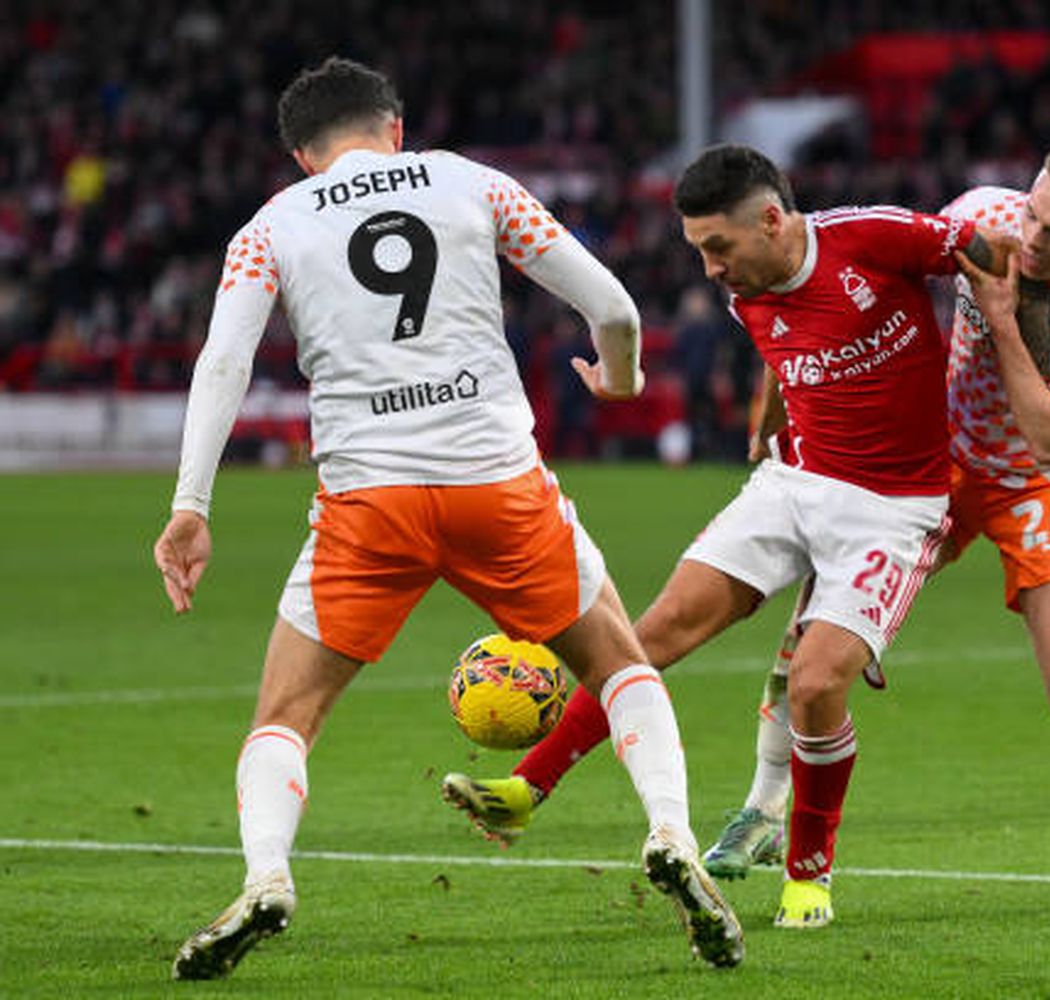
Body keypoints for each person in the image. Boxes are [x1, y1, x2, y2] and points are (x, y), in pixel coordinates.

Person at [151, 57, 742, 979]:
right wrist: (621, 380)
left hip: (368, 503)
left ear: (305, 156)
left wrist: (191, 507)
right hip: (497, 484)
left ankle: (267, 877)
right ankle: (670, 832)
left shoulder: (272, 226)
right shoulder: (471, 183)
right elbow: (614, 308)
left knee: (287, 715)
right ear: (394, 127)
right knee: (622, 662)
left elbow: (221, 363)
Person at [441, 143, 1009, 928]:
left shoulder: (875, 238)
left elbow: (981, 253)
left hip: (896, 506)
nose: (709, 269)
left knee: (814, 685)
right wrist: (766, 418)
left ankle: (810, 872)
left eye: (718, 247)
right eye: (698, 250)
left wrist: (1025, 346)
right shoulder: (749, 290)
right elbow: (785, 350)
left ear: (773, 221)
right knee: (650, 634)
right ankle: (527, 789)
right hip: (792, 482)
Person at [697, 139, 1050, 915]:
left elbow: (1049, 437)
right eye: (1034, 214)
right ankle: (764, 809)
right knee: (814, 636)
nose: (1033, 239)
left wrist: (1004, 318)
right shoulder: (979, 214)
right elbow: (838, 284)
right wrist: (780, 389)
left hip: (1034, 484)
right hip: (927, 464)